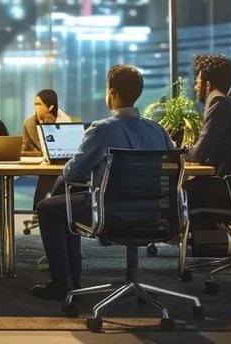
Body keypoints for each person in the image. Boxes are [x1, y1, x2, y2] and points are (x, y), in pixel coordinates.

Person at [30, 64, 170, 301]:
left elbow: (73, 172)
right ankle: (70, 281)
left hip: (110, 211)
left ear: (112, 93)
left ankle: (64, 282)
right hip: (154, 212)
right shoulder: (158, 131)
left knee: (49, 207)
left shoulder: (101, 130)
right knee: (64, 202)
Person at [184, 53, 231, 213]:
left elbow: (199, 154)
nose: (195, 87)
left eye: (198, 82)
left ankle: (179, 236)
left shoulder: (218, 103)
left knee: (177, 191)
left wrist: (178, 152)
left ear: (207, 85)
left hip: (229, 189)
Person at [22, 88, 73, 208]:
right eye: (35, 104)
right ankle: (42, 209)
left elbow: (63, 149)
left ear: (50, 107)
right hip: (42, 165)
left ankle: (44, 209)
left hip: (62, 165)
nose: (36, 107)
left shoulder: (65, 121)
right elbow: (24, 150)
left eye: (39, 104)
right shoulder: (29, 123)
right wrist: (41, 155)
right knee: (47, 175)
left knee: (51, 177)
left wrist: (49, 126)